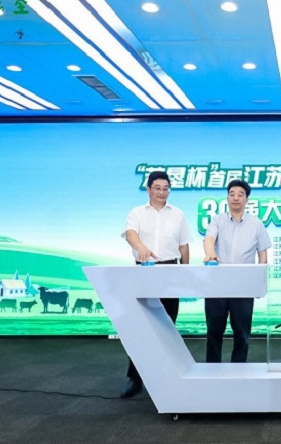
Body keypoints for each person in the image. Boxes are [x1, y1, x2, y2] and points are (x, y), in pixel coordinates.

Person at [120, 170, 192, 398]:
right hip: (144, 270)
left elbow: (184, 246)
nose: (162, 192)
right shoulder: (137, 212)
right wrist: (142, 249)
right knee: (140, 328)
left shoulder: (178, 214)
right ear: (149, 189)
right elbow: (130, 234)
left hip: (170, 271)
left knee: (167, 327)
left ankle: (167, 377)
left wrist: (185, 272)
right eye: (158, 188)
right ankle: (135, 379)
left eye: (166, 188)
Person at [202, 179, 271, 363]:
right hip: (217, 285)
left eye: (240, 195)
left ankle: (239, 369)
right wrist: (210, 254)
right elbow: (209, 239)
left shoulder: (256, 224)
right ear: (227, 198)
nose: (235, 198)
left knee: (242, 333)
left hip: (243, 286)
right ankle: (212, 369)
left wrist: (259, 283)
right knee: (214, 331)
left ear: (247, 199)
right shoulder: (217, 220)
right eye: (232, 194)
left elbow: (263, 254)